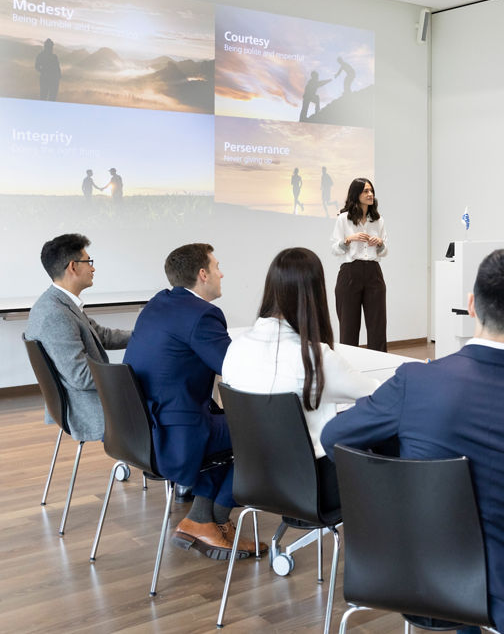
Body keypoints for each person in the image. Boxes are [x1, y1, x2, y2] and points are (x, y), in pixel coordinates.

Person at [321, 247, 504, 634]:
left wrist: (400, 474)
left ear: (471, 304)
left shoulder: (415, 381)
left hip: (411, 569)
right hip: (503, 590)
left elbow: (334, 436)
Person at [124, 243, 265, 561]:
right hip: (177, 432)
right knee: (262, 430)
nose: (221, 273)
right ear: (203, 274)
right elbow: (236, 371)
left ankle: (202, 520)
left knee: (229, 424)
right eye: (217, 267)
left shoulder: (159, 303)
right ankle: (215, 518)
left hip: (145, 429)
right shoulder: (203, 315)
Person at [221, 247, 379, 511]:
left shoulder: (236, 348)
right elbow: (375, 394)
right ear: (314, 293)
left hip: (252, 479)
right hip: (313, 486)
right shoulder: (313, 358)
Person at [25, 234, 131, 441]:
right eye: (88, 262)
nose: (93, 268)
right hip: (89, 409)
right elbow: (81, 377)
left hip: (90, 400)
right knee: (163, 401)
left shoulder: (61, 303)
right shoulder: (55, 314)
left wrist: (143, 336)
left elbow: (101, 336)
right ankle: (155, 459)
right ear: (73, 267)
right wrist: (129, 378)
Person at [331, 178, 388, 352]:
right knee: (348, 326)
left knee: (377, 325)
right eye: (365, 191)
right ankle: (349, 367)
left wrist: (379, 244)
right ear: (356, 194)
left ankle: (380, 365)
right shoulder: (343, 219)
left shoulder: (378, 220)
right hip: (350, 272)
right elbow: (335, 249)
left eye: (371, 191)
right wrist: (349, 239)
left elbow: (384, 251)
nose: (370, 194)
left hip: (373, 272)